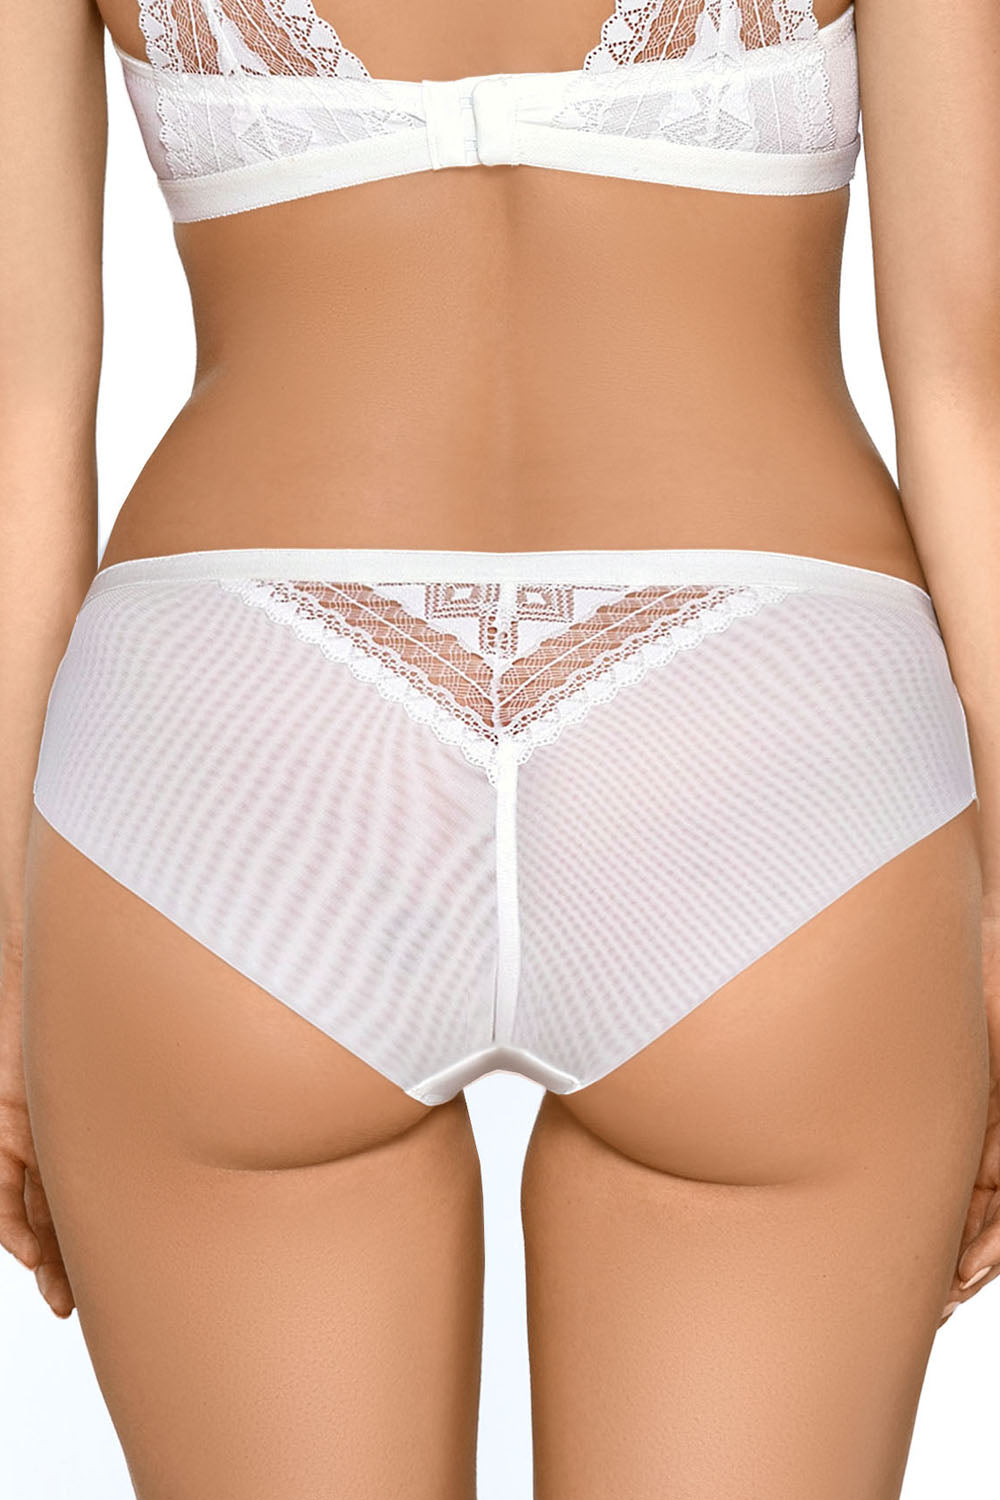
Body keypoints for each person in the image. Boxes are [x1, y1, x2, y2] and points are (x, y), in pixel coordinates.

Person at [1, 1, 997, 1495]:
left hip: (241, 757)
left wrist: (11, 943)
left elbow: (18, 412)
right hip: (765, 731)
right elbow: (972, 395)